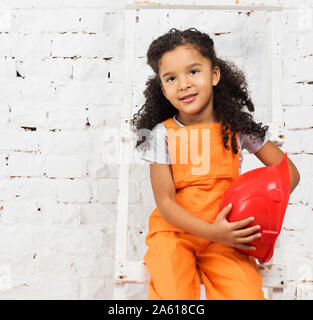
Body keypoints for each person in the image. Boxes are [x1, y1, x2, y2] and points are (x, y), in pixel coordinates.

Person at [129, 28, 300, 300]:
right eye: (171, 78)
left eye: (193, 72)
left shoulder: (237, 128)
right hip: (174, 234)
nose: (183, 84)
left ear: (215, 75)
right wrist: (213, 231)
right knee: (172, 292)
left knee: (246, 295)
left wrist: (259, 209)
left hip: (227, 237)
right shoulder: (161, 133)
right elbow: (165, 203)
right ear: (163, 89)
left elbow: (287, 174)